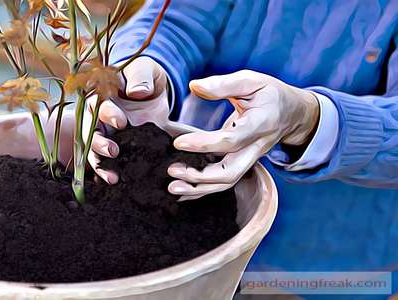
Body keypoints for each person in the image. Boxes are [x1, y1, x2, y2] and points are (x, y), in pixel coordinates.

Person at [88, 0, 398, 298]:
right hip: (195, 220)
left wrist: (307, 118)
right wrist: (141, 67)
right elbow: (176, 21)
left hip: (332, 267)